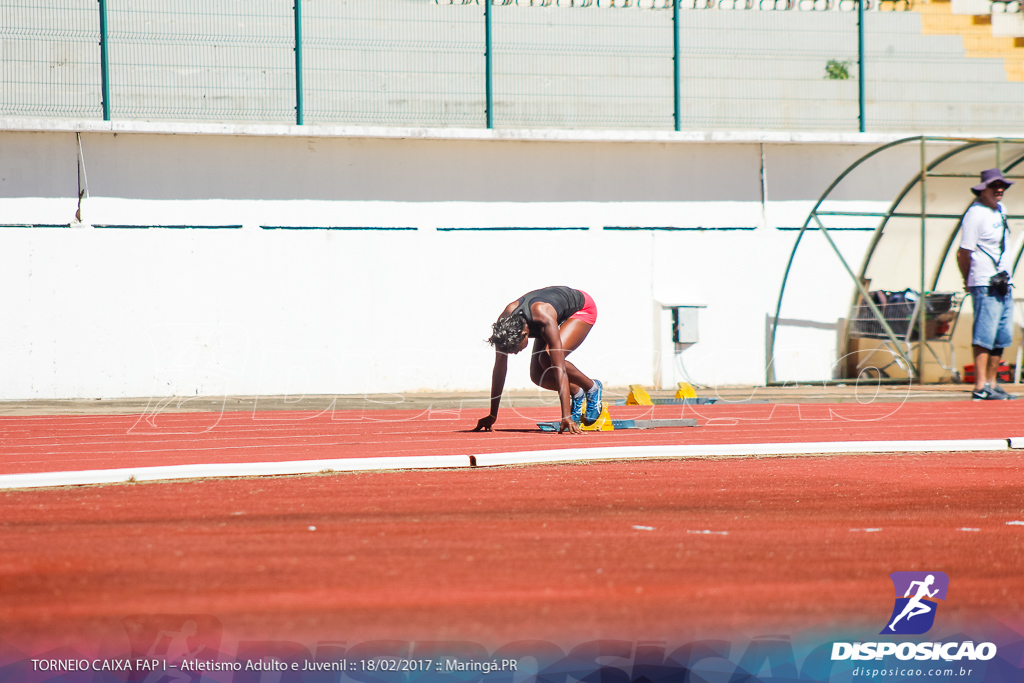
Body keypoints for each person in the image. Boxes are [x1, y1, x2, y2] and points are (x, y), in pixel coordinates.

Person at [473, 286, 603, 434]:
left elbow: (558, 366)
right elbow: (499, 371)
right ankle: (576, 391)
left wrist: (566, 416)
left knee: (548, 359)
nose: (514, 353)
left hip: (581, 309)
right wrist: (492, 415)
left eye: (515, 349)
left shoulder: (543, 316)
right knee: (537, 376)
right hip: (551, 314)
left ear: (524, 334)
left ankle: (592, 388)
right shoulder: (504, 327)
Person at [957, 168, 1018, 401]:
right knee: (984, 334)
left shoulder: (1002, 210)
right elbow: (964, 252)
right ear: (983, 190)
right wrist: (968, 279)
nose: (999, 190)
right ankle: (980, 386)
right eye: (994, 186)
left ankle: (993, 383)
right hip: (984, 281)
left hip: (1004, 282)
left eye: (1002, 186)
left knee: (1002, 335)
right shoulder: (975, 214)